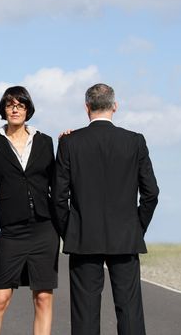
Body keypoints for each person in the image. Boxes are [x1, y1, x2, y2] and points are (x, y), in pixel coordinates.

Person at [53, 83, 160, 335]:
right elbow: (151, 193)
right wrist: (136, 227)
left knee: (85, 313)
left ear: (86, 107)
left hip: (84, 237)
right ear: (115, 106)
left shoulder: (70, 142)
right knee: (130, 310)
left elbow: (58, 197)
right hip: (125, 236)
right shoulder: (135, 141)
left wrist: (70, 231)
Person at [0, 86, 59, 335]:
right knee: (0, 299)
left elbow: (59, 182)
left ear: (27, 110)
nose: (15, 108)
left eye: (20, 105)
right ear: (3, 109)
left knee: (43, 298)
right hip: (11, 231)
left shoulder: (45, 141)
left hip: (45, 229)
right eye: (10, 104)